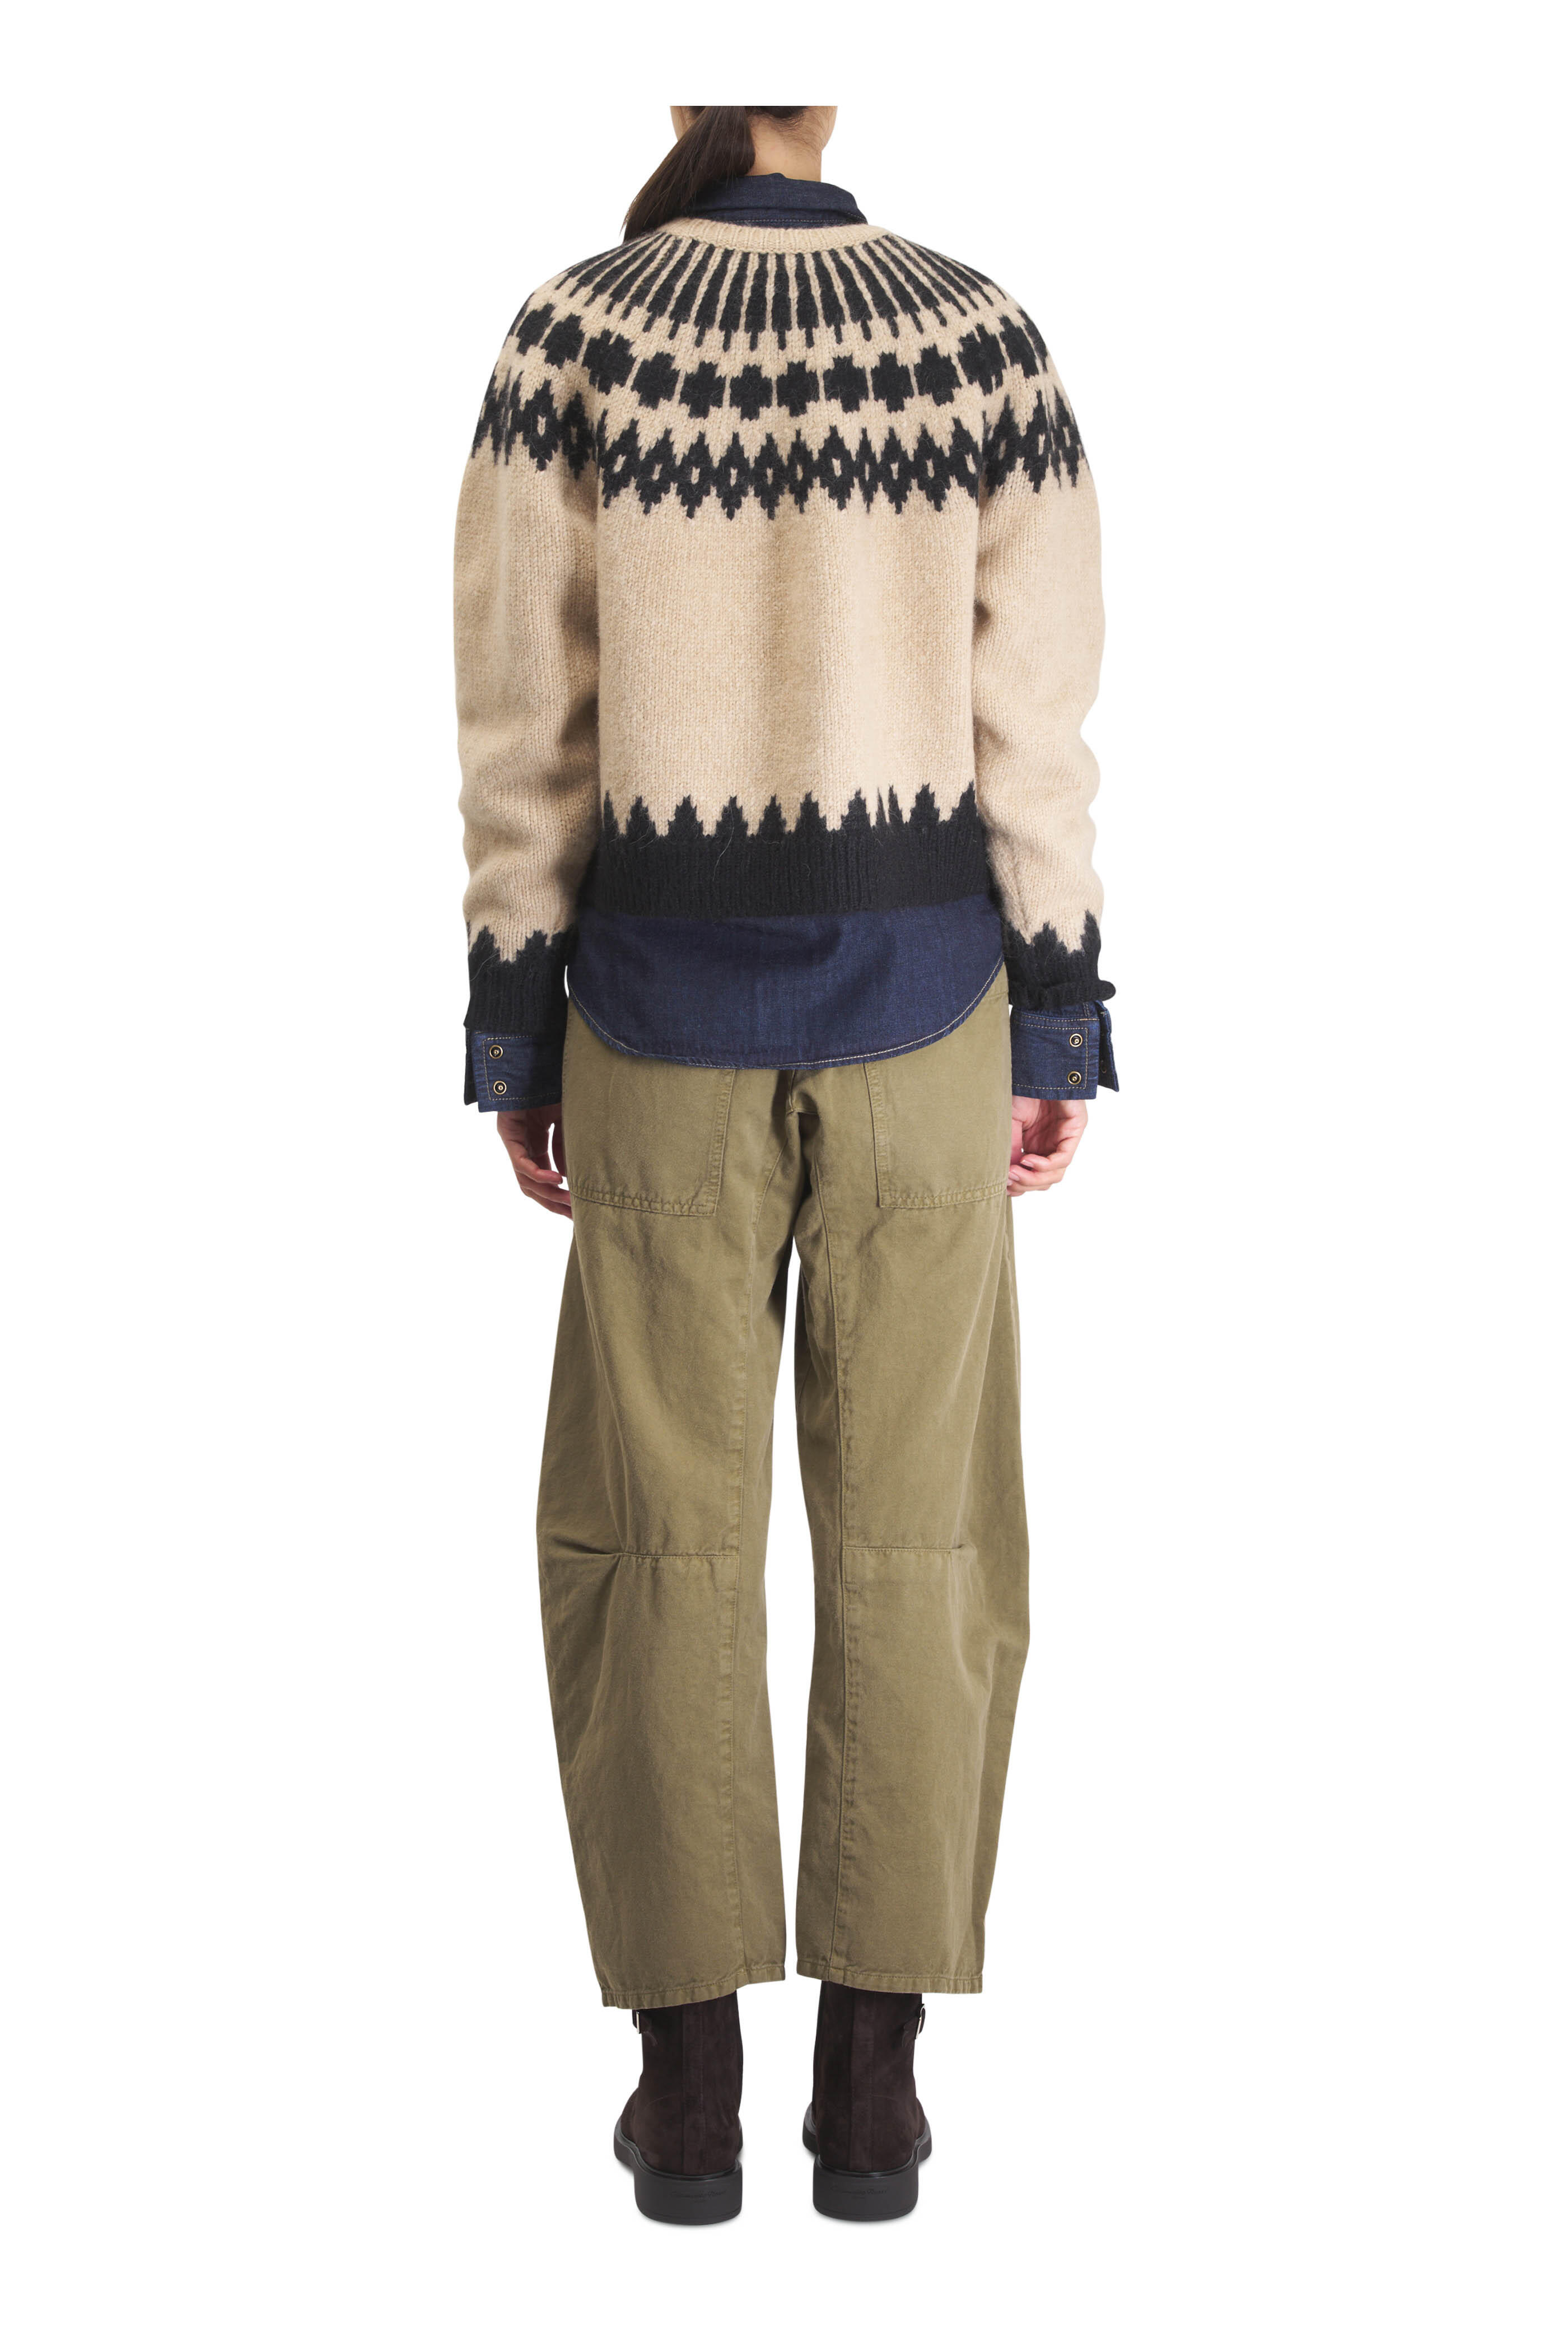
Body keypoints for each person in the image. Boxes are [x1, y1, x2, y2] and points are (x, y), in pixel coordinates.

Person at [455, 102, 1115, 2224]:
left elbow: (523, 726)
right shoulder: (977, 339)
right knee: (927, 1536)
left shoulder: (578, 339)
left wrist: (514, 1022)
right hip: (934, 1017)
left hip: (651, 1018)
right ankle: (877, 2090)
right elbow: (1035, 725)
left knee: (654, 1536)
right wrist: (1060, 1015)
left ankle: (686, 2096)